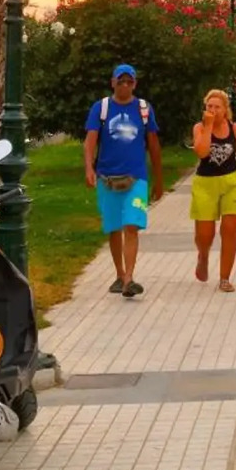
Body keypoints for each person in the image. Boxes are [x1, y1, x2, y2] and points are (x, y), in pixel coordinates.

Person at [82, 64, 162, 299]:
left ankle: (129, 278)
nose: (125, 85)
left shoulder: (144, 109)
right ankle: (119, 274)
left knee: (131, 225)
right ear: (113, 83)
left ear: (135, 84)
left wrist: (158, 179)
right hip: (107, 178)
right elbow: (90, 141)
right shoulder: (101, 108)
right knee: (114, 227)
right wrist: (89, 168)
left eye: (129, 82)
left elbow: (153, 144)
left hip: (136, 178)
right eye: (121, 81)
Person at [191, 88, 236, 293]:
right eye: (209, 106)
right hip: (205, 184)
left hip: (232, 183)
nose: (212, 110)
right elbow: (202, 152)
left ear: (225, 109)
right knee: (205, 234)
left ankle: (224, 278)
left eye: (217, 107)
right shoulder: (199, 128)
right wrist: (208, 126)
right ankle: (203, 256)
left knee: (229, 231)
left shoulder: (235, 129)